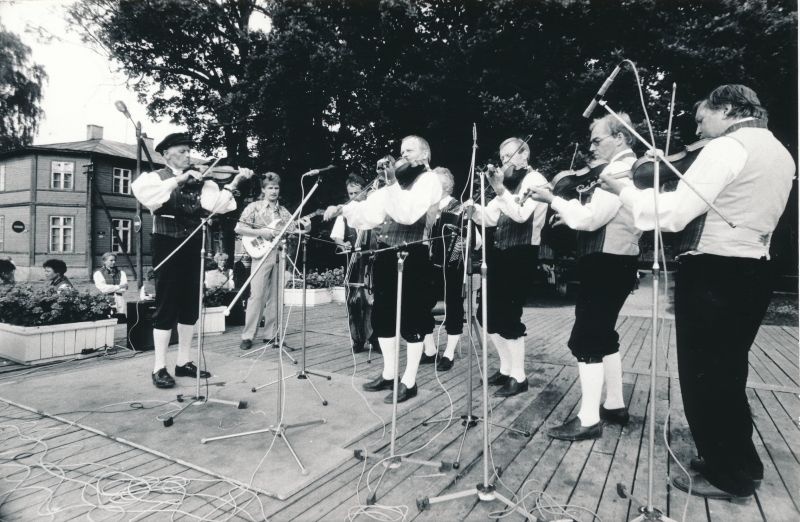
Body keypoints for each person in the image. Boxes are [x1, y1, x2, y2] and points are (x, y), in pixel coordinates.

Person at [601, 85, 795, 500]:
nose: (698, 128)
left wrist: (626, 192)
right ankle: (739, 463)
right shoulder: (780, 151)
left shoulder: (727, 148)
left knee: (704, 375)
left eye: (703, 118)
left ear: (726, 109)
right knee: (728, 372)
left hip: (714, 271)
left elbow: (672, 214)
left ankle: (730, 476)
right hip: (754, 269)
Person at [527, 112, 641, 440]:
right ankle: (615, 405)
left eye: (597, 139)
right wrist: (570, 213)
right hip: (617, 260)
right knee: (603, 334)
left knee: (586, 338)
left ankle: (589, 419)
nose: (591, 146)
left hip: (606, 262)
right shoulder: (626, 168)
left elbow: (591, 220)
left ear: (620, 138)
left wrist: (553, 200)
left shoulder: (617, 170)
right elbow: (599, 218)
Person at [324, 136, 442, 403]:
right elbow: (369, 212)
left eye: (408, 151)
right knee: (383, 315)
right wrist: (344, 209)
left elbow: (408, 214)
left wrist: (391, 184)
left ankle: (409, 381)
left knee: (412, 319)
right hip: (387, 253)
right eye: (401, 151)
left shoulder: (429, 180)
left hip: (414, 253)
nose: (402, 155)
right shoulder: (395, 183)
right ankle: (389, 374)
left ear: (424, 154)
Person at [131, 131, 250, 388]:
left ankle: (183, 362)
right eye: (182, 151)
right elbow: (149, 197)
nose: (188, 156)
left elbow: (219, 206)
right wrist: (181, 179)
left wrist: (236, 181)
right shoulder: (153, 178)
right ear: (165, 154)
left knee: (190, 304)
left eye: (188, 151)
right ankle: (159, 366)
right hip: (166, 241)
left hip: (195, 242)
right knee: (166, 304)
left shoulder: (204, 182)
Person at [466, 137, 548, 397]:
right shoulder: (507, 184)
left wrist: (500, 191)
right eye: (502, 158)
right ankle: (505, 368)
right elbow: (490, 218)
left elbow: (521, 214)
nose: (504, 162)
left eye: (509, 156)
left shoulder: (536, 181)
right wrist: (474, 211)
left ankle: (519, 376)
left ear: (524, 155)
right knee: (487, 315)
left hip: (522, 253)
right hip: (500, 253)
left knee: (510, 316)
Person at [236, 172, 294, 351]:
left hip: (279, 254)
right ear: (263, 189)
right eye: (270, 188)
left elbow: (292, 230)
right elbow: (239, 228)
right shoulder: (254, 207)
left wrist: (304, 226)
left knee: (276, 297)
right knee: (257, 295)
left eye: (276, 188)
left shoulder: (283, 211)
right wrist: (262, 233)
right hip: (260, 254)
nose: (274, 191)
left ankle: (271, 334)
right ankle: (248, 335)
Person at [422, 167, 468, 372]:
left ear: (446, 187)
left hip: (452, 266)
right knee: (419, 302)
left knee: (454, 305)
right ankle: (430, 350)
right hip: (427, 265)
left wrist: (461, 245)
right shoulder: (425, 208)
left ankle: (449, 353)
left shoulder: (459, 208)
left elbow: (476, 241)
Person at [331, 173, 377, 353]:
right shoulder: (344, 214)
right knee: (353, 301)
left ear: (364, 192)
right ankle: (357, 339)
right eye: (350, 194)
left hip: (371, 262)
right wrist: (344, 244)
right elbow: (336, 237)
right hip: (354, 263)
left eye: (357, 193)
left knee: (374, 301)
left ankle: (375, 337)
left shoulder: (372, 211)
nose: (354, 197)